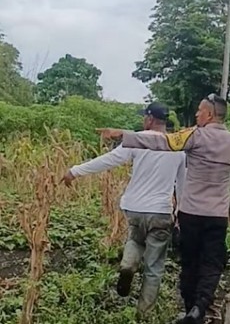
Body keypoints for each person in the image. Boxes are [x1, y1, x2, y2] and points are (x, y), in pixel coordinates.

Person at [97, 93, 230, 324]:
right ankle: (199, 308)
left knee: (190, 263)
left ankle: (189, 310)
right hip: (217, 216)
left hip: (191, 214)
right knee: (212, 263)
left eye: (199, 110)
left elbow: (160, 142)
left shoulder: (194, 136)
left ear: (209, 114)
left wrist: (124, 135)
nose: (196, 114)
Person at [61, 102, 186, 318]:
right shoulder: (178, 147)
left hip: (135, 209)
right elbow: (182, 185)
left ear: (149, 119)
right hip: (161, 212)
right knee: (154, 267)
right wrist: (180, 214)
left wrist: (75, 171)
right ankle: (143, 314)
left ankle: (128, 265)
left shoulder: (137, 141)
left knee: (135, 240)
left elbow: (108, 161)